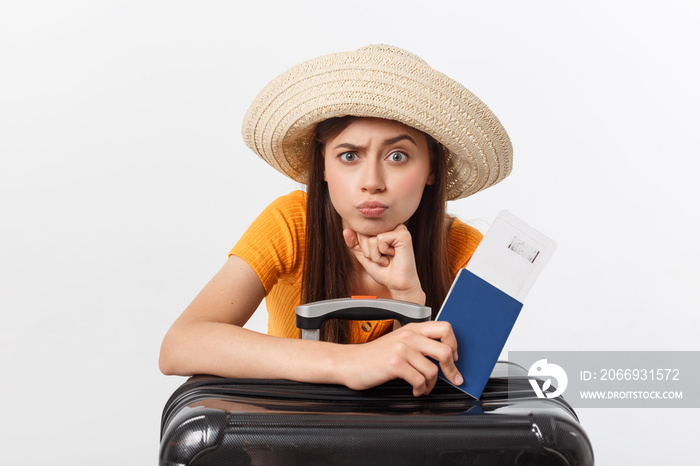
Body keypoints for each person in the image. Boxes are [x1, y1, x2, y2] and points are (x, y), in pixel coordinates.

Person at [159, 44, 513, 396]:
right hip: (292, 446)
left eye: (397, 155)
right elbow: (179, 346)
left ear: (432, 168)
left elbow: (461, 399)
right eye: (349, 155)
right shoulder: (290, 223)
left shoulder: (471, 254)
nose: (371, 181)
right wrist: (348, 362)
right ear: (323, 166)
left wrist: (410, 299)